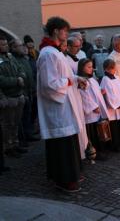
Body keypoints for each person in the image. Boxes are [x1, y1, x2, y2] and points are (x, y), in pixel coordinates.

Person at [37, 17, 87, 192]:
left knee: (68, 141)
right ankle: (64, 178)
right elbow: (49, 83)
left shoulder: (56, 52)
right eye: (65, 30)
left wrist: (76, 78)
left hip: (66, 104)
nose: (67, 33)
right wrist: (69, 81)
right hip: (58, 107)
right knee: (62, 143)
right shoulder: (48, 54)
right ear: (56, 31)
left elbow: (63, 75)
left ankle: (69, 173)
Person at [0, 35, 27, 158]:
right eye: (3, 44)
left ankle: (15, 144)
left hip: (18, 95)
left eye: (6, 44)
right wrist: (16, 80)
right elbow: (1, 79)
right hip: (8, 97)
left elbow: (21, 69)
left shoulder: (10, 57)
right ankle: (8, 147)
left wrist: (21, 77)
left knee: (16, 123)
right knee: (8, 124)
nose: (5, 46)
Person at [77, 58, 109, 158]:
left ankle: (100, 149)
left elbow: (95, 89)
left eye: (92, 66)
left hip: (96, 111)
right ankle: (93, 152)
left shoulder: (92, 79)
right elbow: (84, 96)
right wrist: (93, 107)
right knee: (92, 133)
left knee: (98, 132)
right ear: (82, 68)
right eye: (89, 67)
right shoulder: (81, 80)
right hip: (90, 113)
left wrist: (101, 90)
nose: (92, 69)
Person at [10, 39, 39, 143]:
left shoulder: (24, 59)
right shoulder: (13, 59)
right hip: (21, 92)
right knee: (21, 118)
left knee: (29, 114)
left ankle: (28, 134)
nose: (23, 47)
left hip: (30, 91)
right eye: (20, 45)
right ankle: (21, 139)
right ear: (13, 48)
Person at [100, 59, 120, 151]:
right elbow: (108, 95)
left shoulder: (117, 78)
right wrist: (117, 105)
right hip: (113, 108)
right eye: (113, 68)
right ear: (107, 69)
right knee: (115, 127)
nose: (115, 70)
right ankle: (117, 146)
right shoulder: (105, 80)